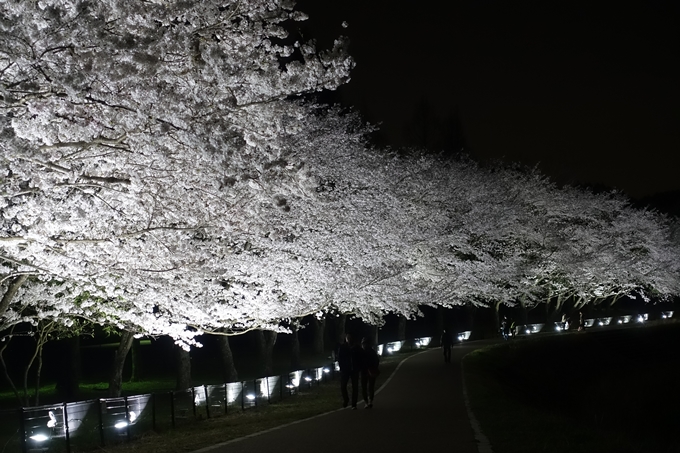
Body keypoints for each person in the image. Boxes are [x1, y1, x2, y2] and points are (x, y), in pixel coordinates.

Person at [337, 333, 361, 409]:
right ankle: (346, 399)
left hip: (354, 369)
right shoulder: (343, 347)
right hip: (345, 369)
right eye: (348, 338)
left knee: (355, 387)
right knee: (343, 386)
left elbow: (360, 357)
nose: (349, 339)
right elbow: (340, 358)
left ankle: (354, 403)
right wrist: (342, 367)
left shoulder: (356, 347)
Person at [360, 337, 380, 408]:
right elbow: (376, 361)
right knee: (370, 387)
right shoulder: (372, 351)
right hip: (369, 370)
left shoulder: (362, 352)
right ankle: (369, 400)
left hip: (365, 371)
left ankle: (366, 401)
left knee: (365, 387)